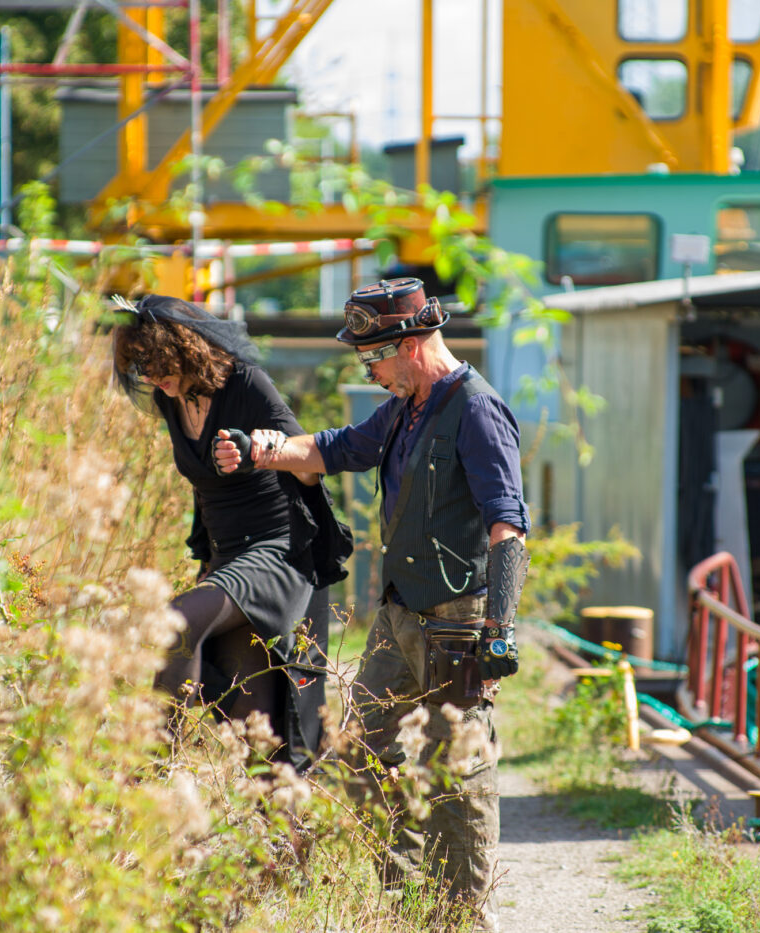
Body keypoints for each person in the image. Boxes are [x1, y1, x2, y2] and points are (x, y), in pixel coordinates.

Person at [213, 277, 529, 931]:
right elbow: (334, 449)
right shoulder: (406, 409)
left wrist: (500, 626)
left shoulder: (476, 409)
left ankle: (463, 914)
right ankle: (406, 896)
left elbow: (508, 526)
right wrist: (257, 450)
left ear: (410, 344)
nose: (371, 370)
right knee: (359, 751)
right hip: (398, 616)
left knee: (458, 767)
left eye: (374, 358)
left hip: (458, 623)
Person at [110, 294, 352, 772]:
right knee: (254, 727)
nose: (154, 376)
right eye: (143, 366)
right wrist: (208, 562)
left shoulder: (246, 383)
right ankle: (281, 842)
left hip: (277, 551)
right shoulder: (170, 398)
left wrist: (266, 449)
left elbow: (312, 466)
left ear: (186, 348)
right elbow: (206, 491)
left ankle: (153, 774)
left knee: (176, 621)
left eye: (159, 362)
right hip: (228, 557)